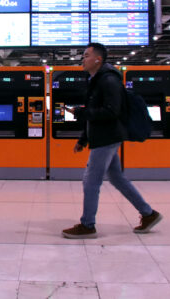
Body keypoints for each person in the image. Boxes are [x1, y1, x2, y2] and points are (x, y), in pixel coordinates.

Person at [62, 43, 162, 239]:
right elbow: (93, 114)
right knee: (117, 178)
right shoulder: (96, 80)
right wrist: (83, 139)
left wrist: (81, 113)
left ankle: (87, 225)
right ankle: (148, 214)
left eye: (86, 55)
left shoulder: (108, 80)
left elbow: (112, 111)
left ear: (98, 59)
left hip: (106, 138)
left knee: (91, 181)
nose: (83, 59)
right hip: (104, 136)